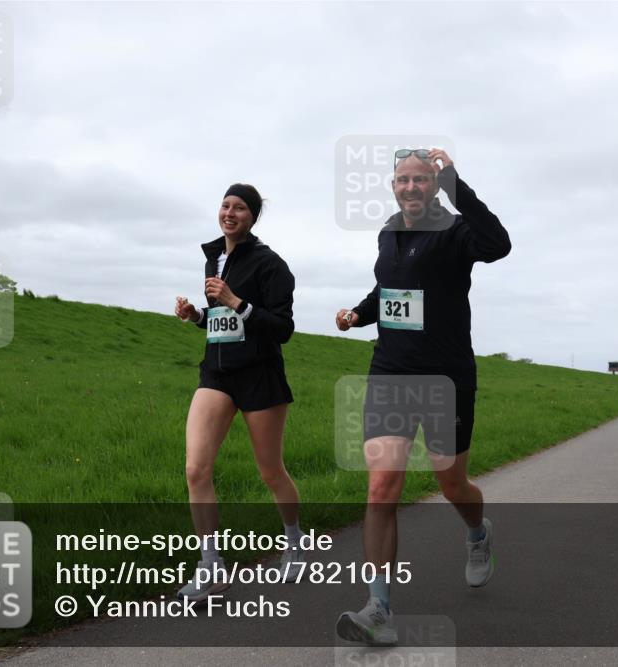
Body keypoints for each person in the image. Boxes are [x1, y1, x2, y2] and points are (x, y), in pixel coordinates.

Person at [333, 148, 511, 645]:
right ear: (393, 186)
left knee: (452, 483)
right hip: (390, 373)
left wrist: (456, 180)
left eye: (421, 179)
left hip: (446, 379)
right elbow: (389, 290)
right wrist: (358, 314)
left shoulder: (457, 232)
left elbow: (499, 245)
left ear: (434, 185)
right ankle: (379, 608)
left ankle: (478, 534)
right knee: (381, 487)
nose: (410, 187)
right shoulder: (388, 230)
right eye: (402, 180)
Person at [174, 183, 304, 603]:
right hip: (217, 373)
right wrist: (198, 316)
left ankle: (295, 542)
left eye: (240, 208)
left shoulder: (272, 265)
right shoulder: (214, 256)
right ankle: (211, 566)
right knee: (196, 469)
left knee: (270, 471)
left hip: (259, 376)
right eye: (225, 205)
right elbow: (221, 321)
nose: (230, 213)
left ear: (253, 216)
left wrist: (236, 302)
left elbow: (282, 328)